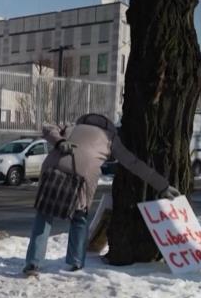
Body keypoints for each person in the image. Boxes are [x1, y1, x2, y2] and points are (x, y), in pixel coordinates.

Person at [23, 113, 180, 276]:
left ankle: (33, 264)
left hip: (52, 169)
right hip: (82, 175)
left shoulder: (73, 127)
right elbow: (133, 163)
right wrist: (162, 185)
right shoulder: (110, 137)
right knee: (79, 217)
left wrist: (60, 141)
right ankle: (75, 262)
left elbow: (48, 128)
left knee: (44, 215)